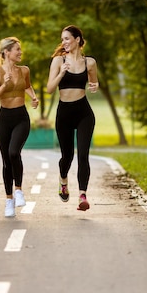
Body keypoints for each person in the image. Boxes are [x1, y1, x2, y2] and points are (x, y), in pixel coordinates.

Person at [46, 25, 98, 211]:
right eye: (62, 39)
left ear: (77, 39)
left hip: (84, 112)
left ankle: (82, 195)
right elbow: (50, 89)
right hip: (64, 114)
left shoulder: (89, 62)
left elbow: (93, 82)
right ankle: (63, 180)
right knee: (67, 156)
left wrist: (95, 86)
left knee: (83, 155)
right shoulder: (58, 61)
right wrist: (61, 73)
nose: (64, 42)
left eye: (67, 38)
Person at [0, 37, 39, 217]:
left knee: (13, 153)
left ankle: (18, 190)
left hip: (21, 118)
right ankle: (9, 200)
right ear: (7, 52)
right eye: (17, 49)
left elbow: (27, 86)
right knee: (6, 161)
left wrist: (33, 97)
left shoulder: (24, 70)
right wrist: (5, 85)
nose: (20, 52)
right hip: (4, 119)